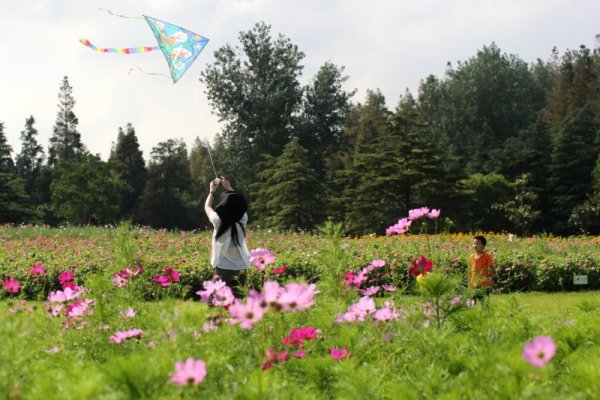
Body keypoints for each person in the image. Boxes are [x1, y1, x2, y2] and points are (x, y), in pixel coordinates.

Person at [204, 177, 250, 297]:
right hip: (241, 267)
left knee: (215, 303)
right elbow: (238, 204)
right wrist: (229, 187)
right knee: (238, 304)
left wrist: (211, 191)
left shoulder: (218, 221)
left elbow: (207, 207)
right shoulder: (243, 219)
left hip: (223, 269)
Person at [469, 235, 494, 303]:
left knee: (484, 302)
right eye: (474, 243)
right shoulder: (471, 256)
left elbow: (491, 268)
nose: (475, 245)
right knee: (472, 301)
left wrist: (492, 279)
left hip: (484, 284)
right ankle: (472, 312)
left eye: (478, 243)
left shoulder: (486, 256)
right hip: (474, 283)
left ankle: (485, 312)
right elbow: (471, 269)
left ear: (483, 246)